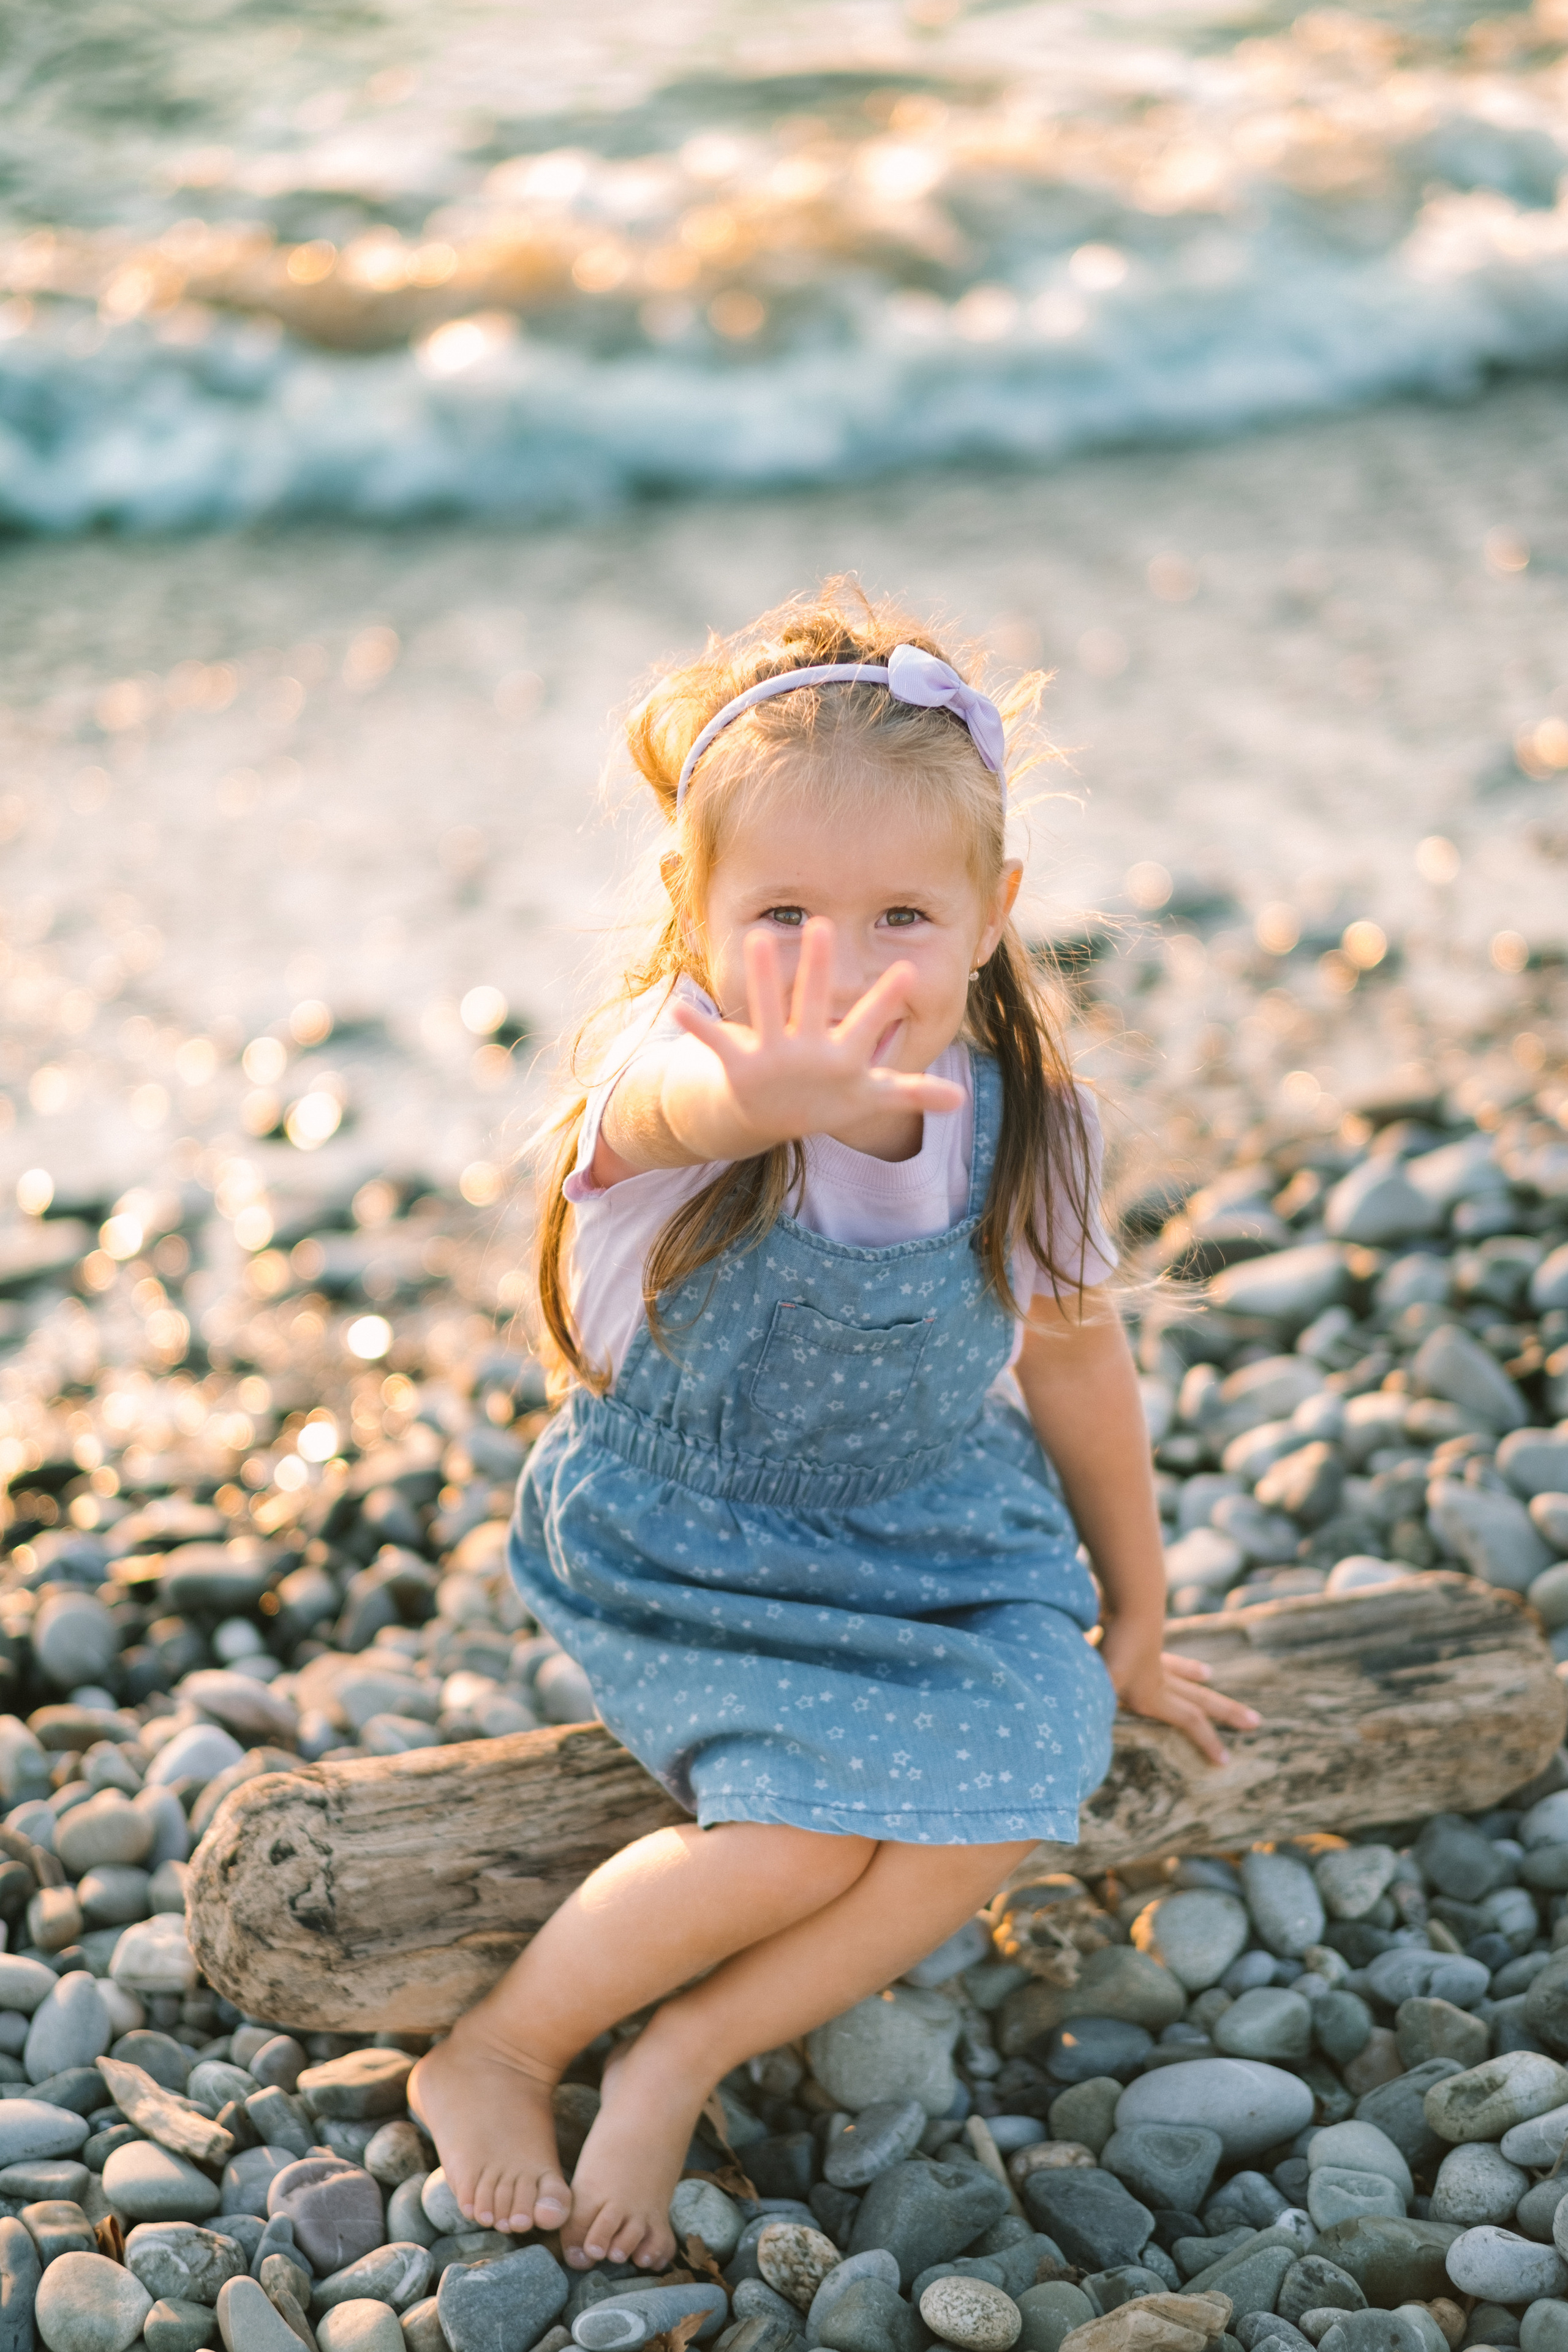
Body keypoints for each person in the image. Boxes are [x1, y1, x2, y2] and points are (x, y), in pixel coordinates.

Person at [409, 580, 1257, 2274]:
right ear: (692, 905)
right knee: (801, 1833)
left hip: (934, 1530)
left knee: (1028, 1764)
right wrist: (764, 1098)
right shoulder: (689, 1066)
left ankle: (683, 2049)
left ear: (994, 910)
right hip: (692, 1544)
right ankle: (496, 2048)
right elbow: (664, 1109)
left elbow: (1079, 1360)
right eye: (786, 913)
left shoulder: (1031, 1116)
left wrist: (1139, 1612)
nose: (848, 969)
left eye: (901, 919)